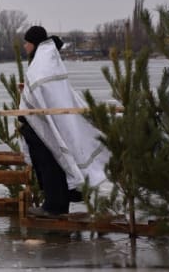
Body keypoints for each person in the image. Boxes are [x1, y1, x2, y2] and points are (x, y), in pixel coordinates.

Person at [18, 25, 109, 217]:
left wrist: (28, 95)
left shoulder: (41, 64)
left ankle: (54, 206)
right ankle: (57, 202)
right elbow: (44, 90)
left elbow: (41, 89)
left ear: (34, 43)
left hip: (44, 124)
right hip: (46, 121)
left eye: (27, 42)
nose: (25, 46)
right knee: (52, 162)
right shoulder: (46, 61)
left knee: (49, 163)